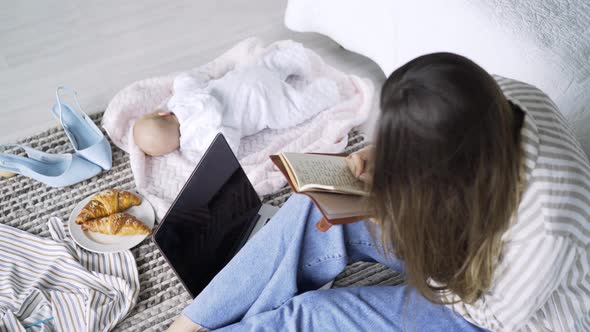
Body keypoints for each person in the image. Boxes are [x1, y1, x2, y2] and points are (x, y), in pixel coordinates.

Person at [167, 53, 590, 331]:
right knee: (315, 207)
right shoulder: (490, 97)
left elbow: (491, 313)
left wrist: (409, 229)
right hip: (461, 224)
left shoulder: (549, 222)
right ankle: (189, 324)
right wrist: (382, 158)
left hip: (495, 310)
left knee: (314, 318)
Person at [133, 41, 340, 157]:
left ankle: (330, 89)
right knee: (270, 66)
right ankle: (296, 57)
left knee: (293, 110)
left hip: (263, 103)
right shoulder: (181, 99)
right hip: (248, 76)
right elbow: (185, 79)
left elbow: (230, 142)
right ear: (163, 113)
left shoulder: (195, 141)